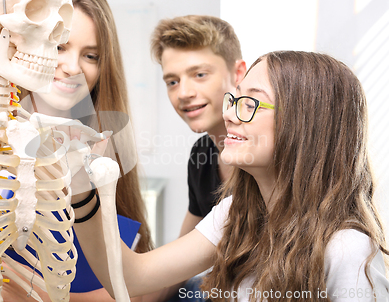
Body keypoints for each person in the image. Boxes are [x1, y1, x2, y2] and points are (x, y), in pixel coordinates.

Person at [74, 51, 389, 302]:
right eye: (234, 100)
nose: (228, 114)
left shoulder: (347, 250)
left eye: (250, 103)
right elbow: (132, 277)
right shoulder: (234, 212)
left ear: (305, 124)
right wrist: (81, 188)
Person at [2, 0, 153, 302]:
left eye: (91, 56)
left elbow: (137, 289)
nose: (72, 67)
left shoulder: (105, 153)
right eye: (60, 46)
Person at [149, 15, 246, 300]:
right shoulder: (202, 154)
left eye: (200, 75)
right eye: (172, 81)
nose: (184, 93)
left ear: (238, 72)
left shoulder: (265, 154)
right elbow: (180, 257)